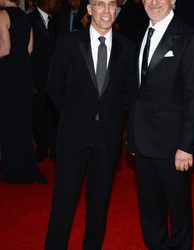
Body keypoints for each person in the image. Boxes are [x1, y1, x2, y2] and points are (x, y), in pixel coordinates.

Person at [44, 0, 135, 248]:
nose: (107, 10)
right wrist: (74, 114)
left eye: (111, 5)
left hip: (107, 136)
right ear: (90, 9)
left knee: (99, 204)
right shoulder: (69, 43)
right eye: (100, 4)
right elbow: (53, 86)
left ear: (116, 11)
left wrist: (111, 111)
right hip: (73, 135)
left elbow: (131, 91)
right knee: (63, 201)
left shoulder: (128, 47)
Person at [128, 0, 194, 249]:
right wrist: (132, 135)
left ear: (173, 0)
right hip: (142, 141)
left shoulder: (189, 38)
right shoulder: (141, 33)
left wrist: (187, 146)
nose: (154, 2)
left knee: (178, 210)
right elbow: (138, 93)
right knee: (149, 208)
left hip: (173, 146)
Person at [0, 0, 47, 183]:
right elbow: (29, 49)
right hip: (24, 73)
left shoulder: (2, 16)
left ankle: (13, 168)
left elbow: (4, 48)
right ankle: (27, 165)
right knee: (23, 120)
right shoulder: (26, 18)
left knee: (8, 119)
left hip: (7, 73)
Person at [29, 0, 60, 163]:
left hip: (54, 77)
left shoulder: (56, 21)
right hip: (37, 77)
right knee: (38, 114)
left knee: (54, 114)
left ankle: (55, 149)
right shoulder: (30, 20)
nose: (58, 4)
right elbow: (27, 55)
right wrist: (31, 80)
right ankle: (41, 148)